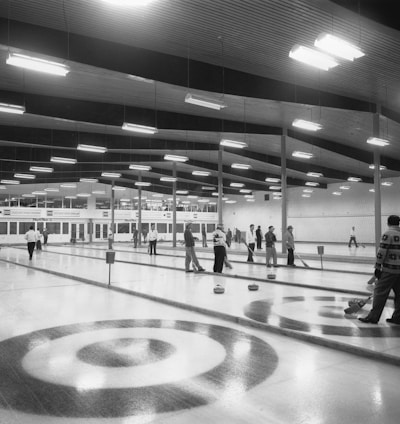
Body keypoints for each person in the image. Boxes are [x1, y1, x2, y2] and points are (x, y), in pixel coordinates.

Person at [359, 215, 400, 324]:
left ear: (388, 223)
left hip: (389, 270)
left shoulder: (388, 234)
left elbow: (382, 252)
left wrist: (377, 266)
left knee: (379, 292)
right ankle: (398, 317)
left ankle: (373, 317)